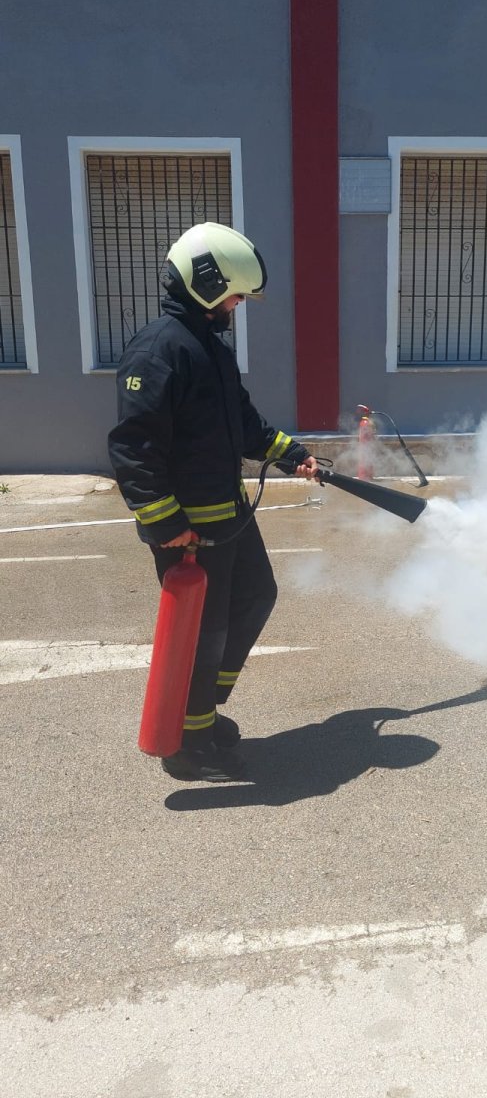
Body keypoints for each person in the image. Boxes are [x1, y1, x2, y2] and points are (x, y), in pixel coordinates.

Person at [108, 222, 318, 783]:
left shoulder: (210, 350)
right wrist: (163, 522)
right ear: (205, 283)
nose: (238, 305)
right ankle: (188, 742)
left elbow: (242, 424)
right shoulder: (158, 351)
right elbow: (133, 447)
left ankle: (200, 711)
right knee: (204, 634)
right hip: (188, 530)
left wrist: (291, 454)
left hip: (227, 517)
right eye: (235, 294)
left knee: (254, 598)